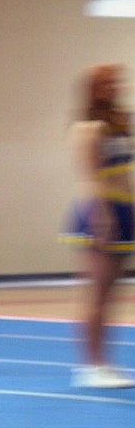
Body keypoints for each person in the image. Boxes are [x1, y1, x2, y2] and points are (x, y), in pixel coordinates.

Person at [61, 64, 135, 389]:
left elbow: (125, 173)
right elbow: (89, 177)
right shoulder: (86, 127)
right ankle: (90, 366)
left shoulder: (121, 123)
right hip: (99, 211)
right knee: (97, 294)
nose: (113, 86)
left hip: (124, 209)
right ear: (93, 87)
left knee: (112, 296)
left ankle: (104, 363)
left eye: (116, 81)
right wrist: (102, 217)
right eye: (106, 82)